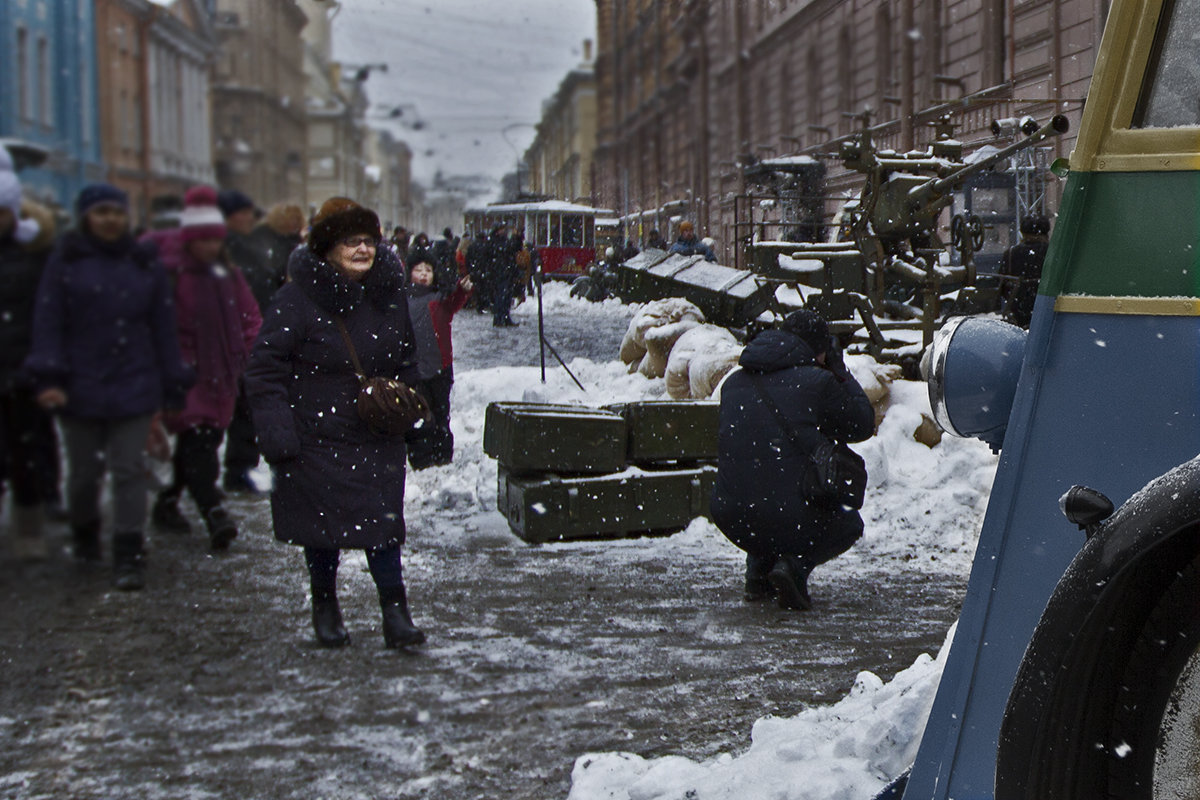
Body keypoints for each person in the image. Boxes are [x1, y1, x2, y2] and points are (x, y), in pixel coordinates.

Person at [245, 197, 426, 649]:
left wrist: (414, 410)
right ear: (328, 248)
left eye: (368, 241)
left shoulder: (389, 296)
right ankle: (325, 608)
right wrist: (278, 432)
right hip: (316, 438)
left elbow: (408, 359)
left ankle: (396, 614)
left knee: (383, 529)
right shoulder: (296, 300)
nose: (363, 249)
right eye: (351, 242)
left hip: (376, 433)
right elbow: (265, 369)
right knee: (321, 531)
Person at [25, 183, 193, 589]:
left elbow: (162, 326)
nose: (110, 220)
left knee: (129, 469)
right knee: (83, 473)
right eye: (101, 212)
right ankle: (85, 532)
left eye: (116, 212)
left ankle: (128, 552)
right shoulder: (66, 259)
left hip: (134, 378)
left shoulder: (143, 261)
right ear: (87, 217)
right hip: (79, 380)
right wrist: (48, 376)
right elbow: (48, 322)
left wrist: (172, 379)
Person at [710, 309, 874, 610]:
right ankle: (794, 567)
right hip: (785, 516)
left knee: (765, 487)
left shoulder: (733, 383)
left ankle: (758, 576)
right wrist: (840, 370)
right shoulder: (815, 382)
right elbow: (862, 424)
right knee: (848, 524)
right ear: (819, 350)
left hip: (730, 515)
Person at [151, 187, 262, 550]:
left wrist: (244, 353)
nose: (210, 247)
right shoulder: (169, 274)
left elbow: (250, 317)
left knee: (201, 442)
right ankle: (214, 512)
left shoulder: (226, 273)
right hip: (185, 375)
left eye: (216, 240)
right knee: (198, 441)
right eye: (203, 240)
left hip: (223, 374)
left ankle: (168, 501)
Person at [222, 201, 305, 493]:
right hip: (264, 327)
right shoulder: (263, 246)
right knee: (253, 401)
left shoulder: (288, 246)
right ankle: (242, 467)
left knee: (260, 401)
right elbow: (261, 285)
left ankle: (249, 466)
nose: (295, 224)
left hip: (274, 326)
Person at [0, 163, 54, 559]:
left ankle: (30, 527)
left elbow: (48, 317)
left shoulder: (35, 258)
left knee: (26, 453)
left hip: (23, 370)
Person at [404, 257, 473, 469]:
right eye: (419, 269)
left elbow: (456, 301)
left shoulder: (440, 299)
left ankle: (443, 458)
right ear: (410, 273)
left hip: (440, 367)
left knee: (441, 415)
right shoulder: (402, 300)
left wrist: (462, 290)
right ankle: (421, 459)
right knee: (419, 416)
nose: (424, 274)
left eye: (428, 270)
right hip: (414, 368)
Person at [1000, 215, 1051, 329]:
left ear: (1023, 233)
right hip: (1047, 312)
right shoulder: (1052, 253)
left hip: (1019, 314)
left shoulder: (1010, 254)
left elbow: (1002, 286)